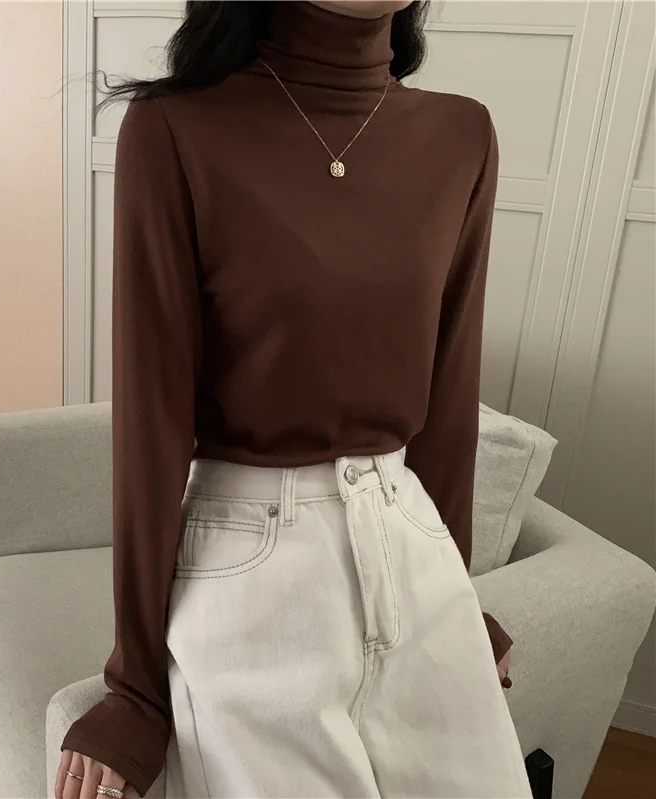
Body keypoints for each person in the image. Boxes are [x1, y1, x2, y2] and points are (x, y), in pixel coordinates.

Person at [55, 1, 533, 797]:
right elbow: (151, 425)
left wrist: (459, 592)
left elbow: (449, 398)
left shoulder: (462, 135)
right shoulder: (176, 129)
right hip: (251, 570)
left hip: (417, 559)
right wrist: (135, 685)